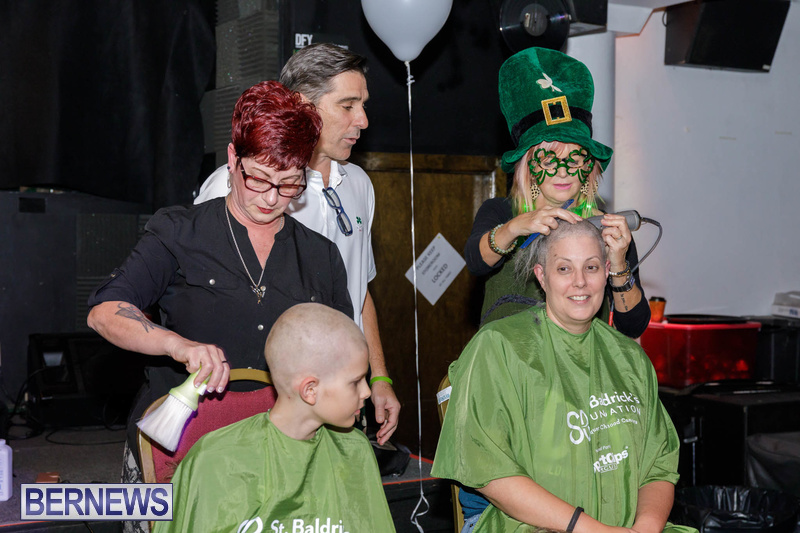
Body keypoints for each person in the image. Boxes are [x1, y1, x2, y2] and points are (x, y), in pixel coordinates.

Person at [87, 81, 352, 485]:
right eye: (258, 178)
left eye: (288, 184)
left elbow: (342, 358)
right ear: (232, 159)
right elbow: (104, 313)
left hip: (283, 452)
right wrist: (178, 345)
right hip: (182, 445)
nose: (271, 198)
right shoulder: (180, 231)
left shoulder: (320, 255)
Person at [194, 43, 400, 444]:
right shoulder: (236, 186)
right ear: (304, 106)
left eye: (363, 105)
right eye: (347, 105)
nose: (362, 120)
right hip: (262, 401)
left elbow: (359, 292)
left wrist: (378, 377)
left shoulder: (360, 184)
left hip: (341, 399)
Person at [432, 221, 695, 533]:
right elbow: (487, 468)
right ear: (542, 277)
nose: (580, 282)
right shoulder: (498, 346)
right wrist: (595, 530)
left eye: (591, 267)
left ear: (607, 272)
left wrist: (644, 529)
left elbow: (658, 467)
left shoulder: (630, 359)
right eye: (564, 269)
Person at [156, 303, 395, 532]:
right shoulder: (215, 460)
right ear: (310, 390)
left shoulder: (355, 450)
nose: (367, 392)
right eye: (356, 382)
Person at [463, 47, 650, 336]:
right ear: (527, 166)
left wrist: (618, 264)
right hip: (509, 360)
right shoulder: (501, 213)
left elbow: (633, 325)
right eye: (549, 161)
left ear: (589, 167)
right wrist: (515, 227)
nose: (563, 172)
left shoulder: (609, 229)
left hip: (580, 362)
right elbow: (475, 262)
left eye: (574, 160)